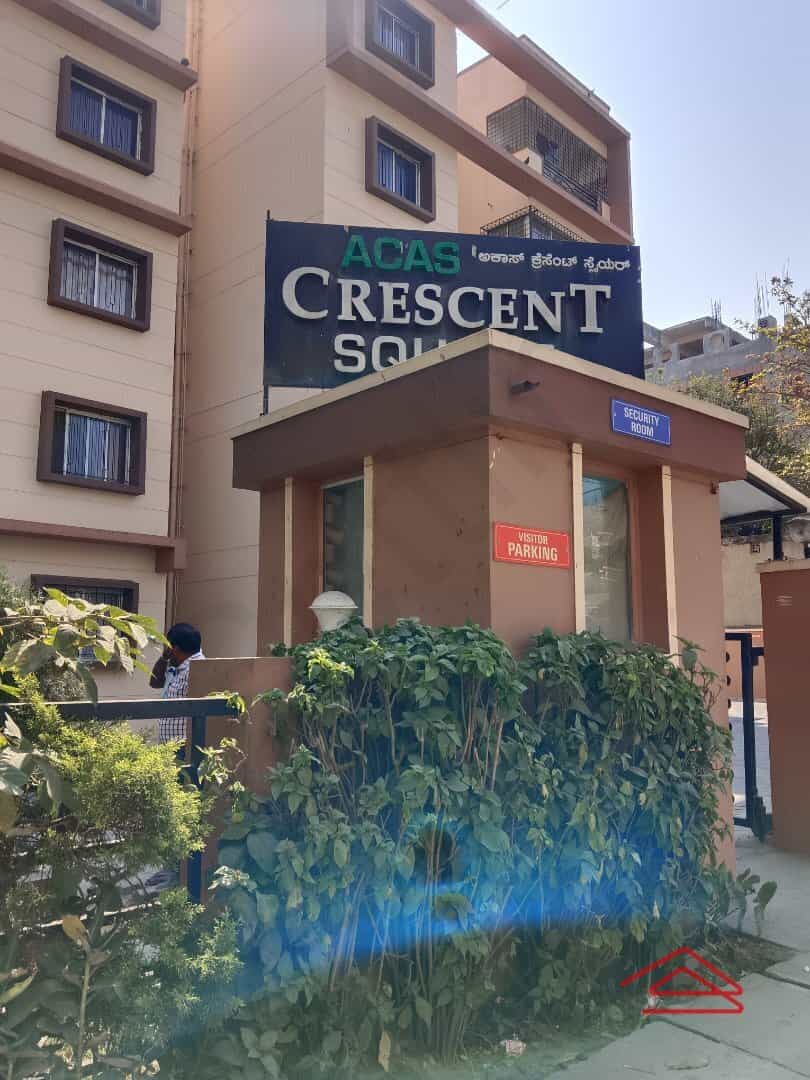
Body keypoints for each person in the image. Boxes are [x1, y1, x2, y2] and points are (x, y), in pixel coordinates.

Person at [149, 622, 205, 746]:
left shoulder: (198, 669)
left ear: (174, 649)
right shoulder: (177, 666)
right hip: (169, 745)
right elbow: (155, 682)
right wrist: (164, 658)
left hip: (184, 746)